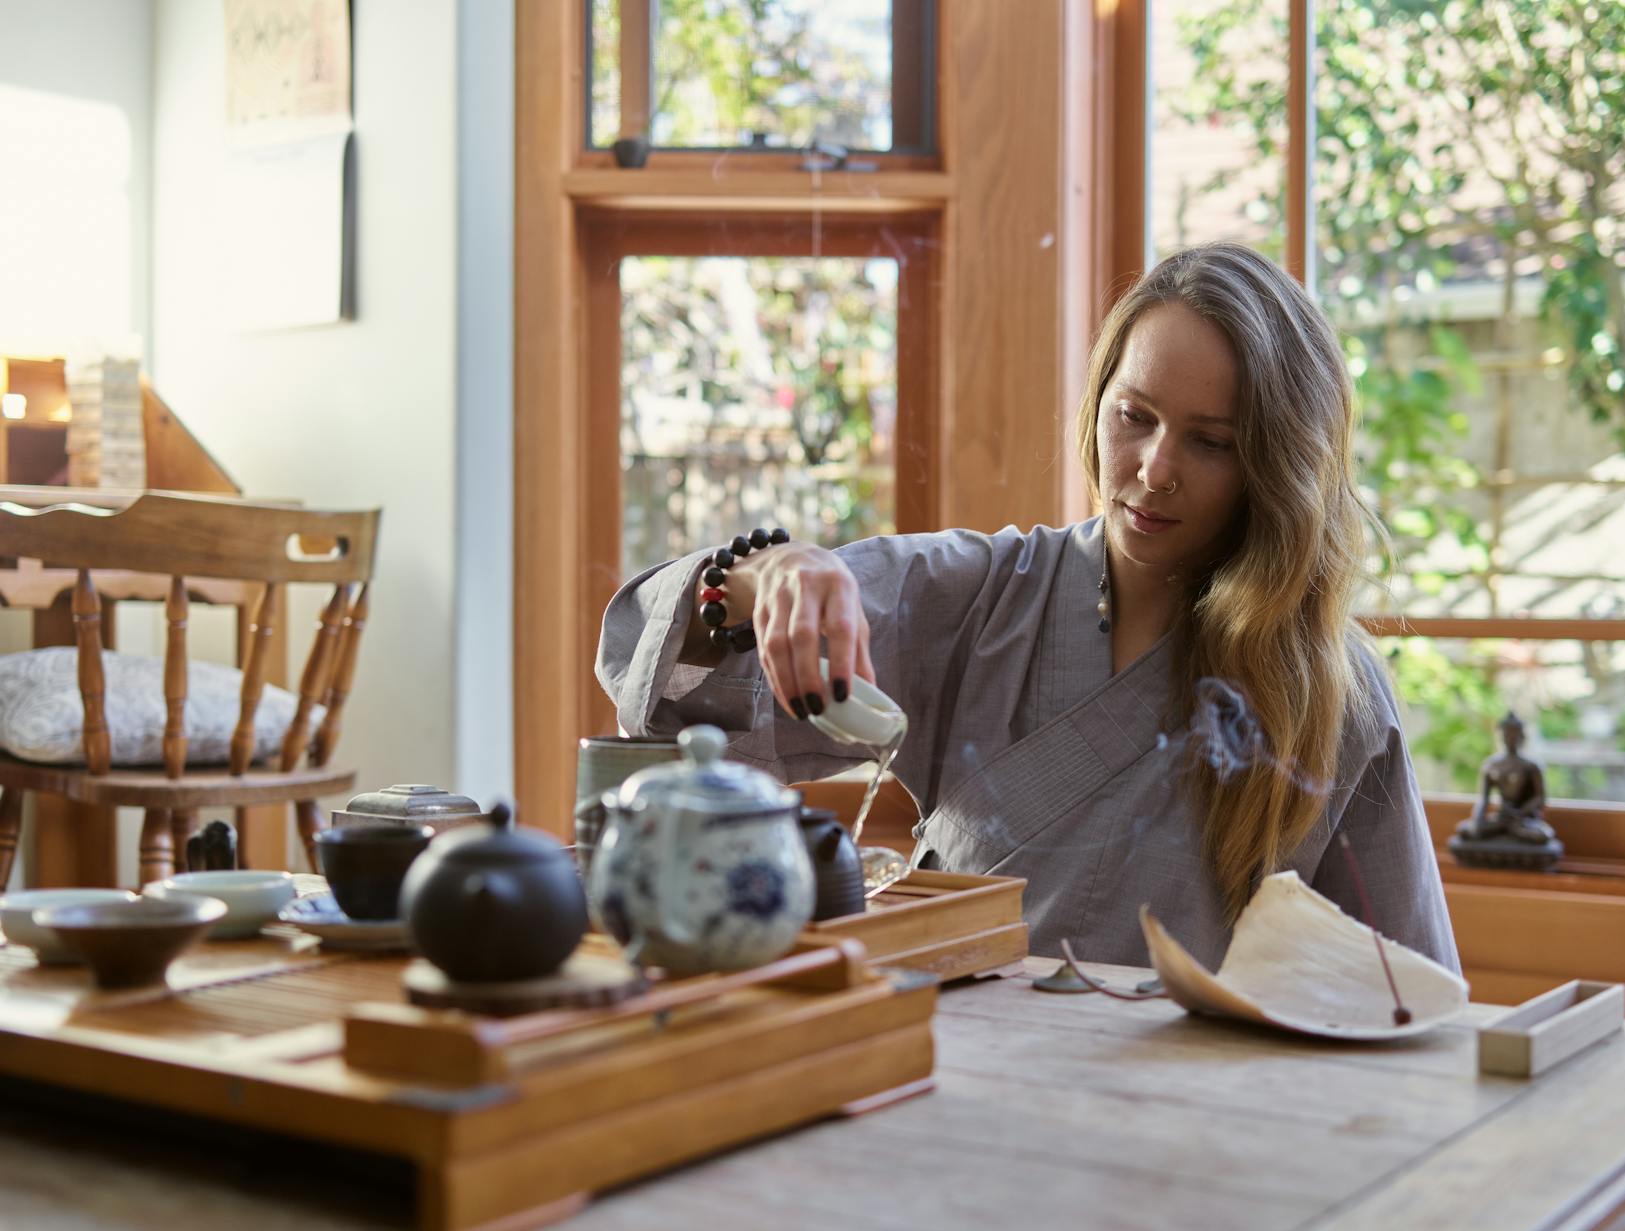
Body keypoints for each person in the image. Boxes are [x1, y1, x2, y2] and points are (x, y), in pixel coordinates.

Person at [597, 242, 1460, 973]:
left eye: (1211, 443)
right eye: (1135, 416)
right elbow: (660, 689)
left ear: (1277, 465)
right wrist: (773, 572)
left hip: (1199, 1127)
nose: (1155, 469)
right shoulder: (980, 595)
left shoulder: (1330, 693)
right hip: (956, 1090)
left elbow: (1402, 991)